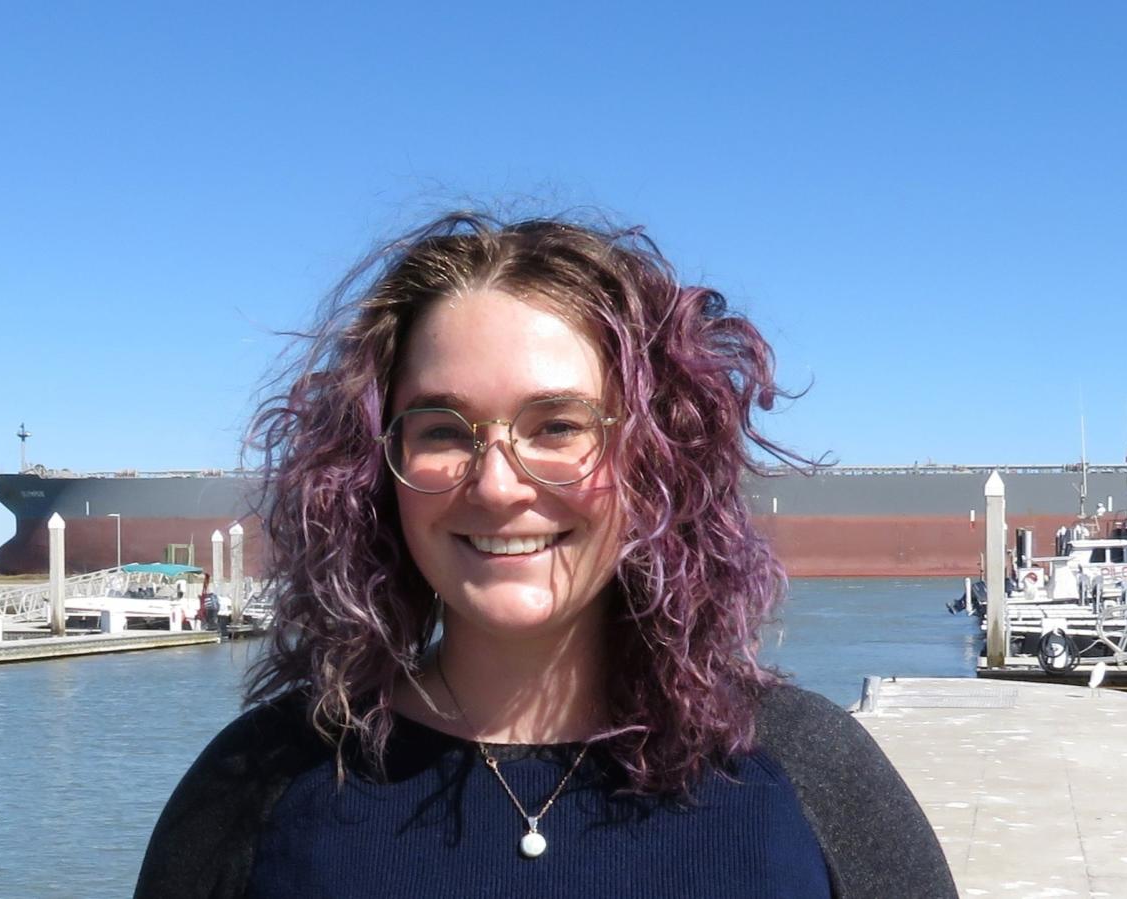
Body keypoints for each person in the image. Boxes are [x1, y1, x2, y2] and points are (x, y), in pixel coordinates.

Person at [135, 212, 955, 898]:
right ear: (376, 470)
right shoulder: (261, 786)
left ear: (654, 456)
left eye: (559, 426)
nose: (495, 485)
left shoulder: (810, 776)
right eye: (442, 431)